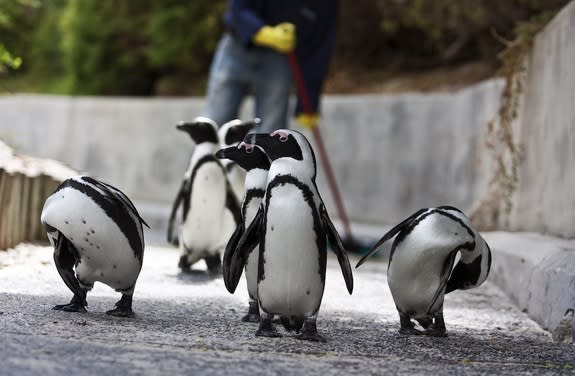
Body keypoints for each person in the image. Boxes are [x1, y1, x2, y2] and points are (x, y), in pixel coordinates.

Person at [203, 0, 338, 133]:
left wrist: (309, 101)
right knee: (213, 126)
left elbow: (319, 48)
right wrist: (259, 31)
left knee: (271, 132)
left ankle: (264, 155)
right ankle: (207, 153)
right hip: (237, 47)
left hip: (280, 58)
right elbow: (238, 8)